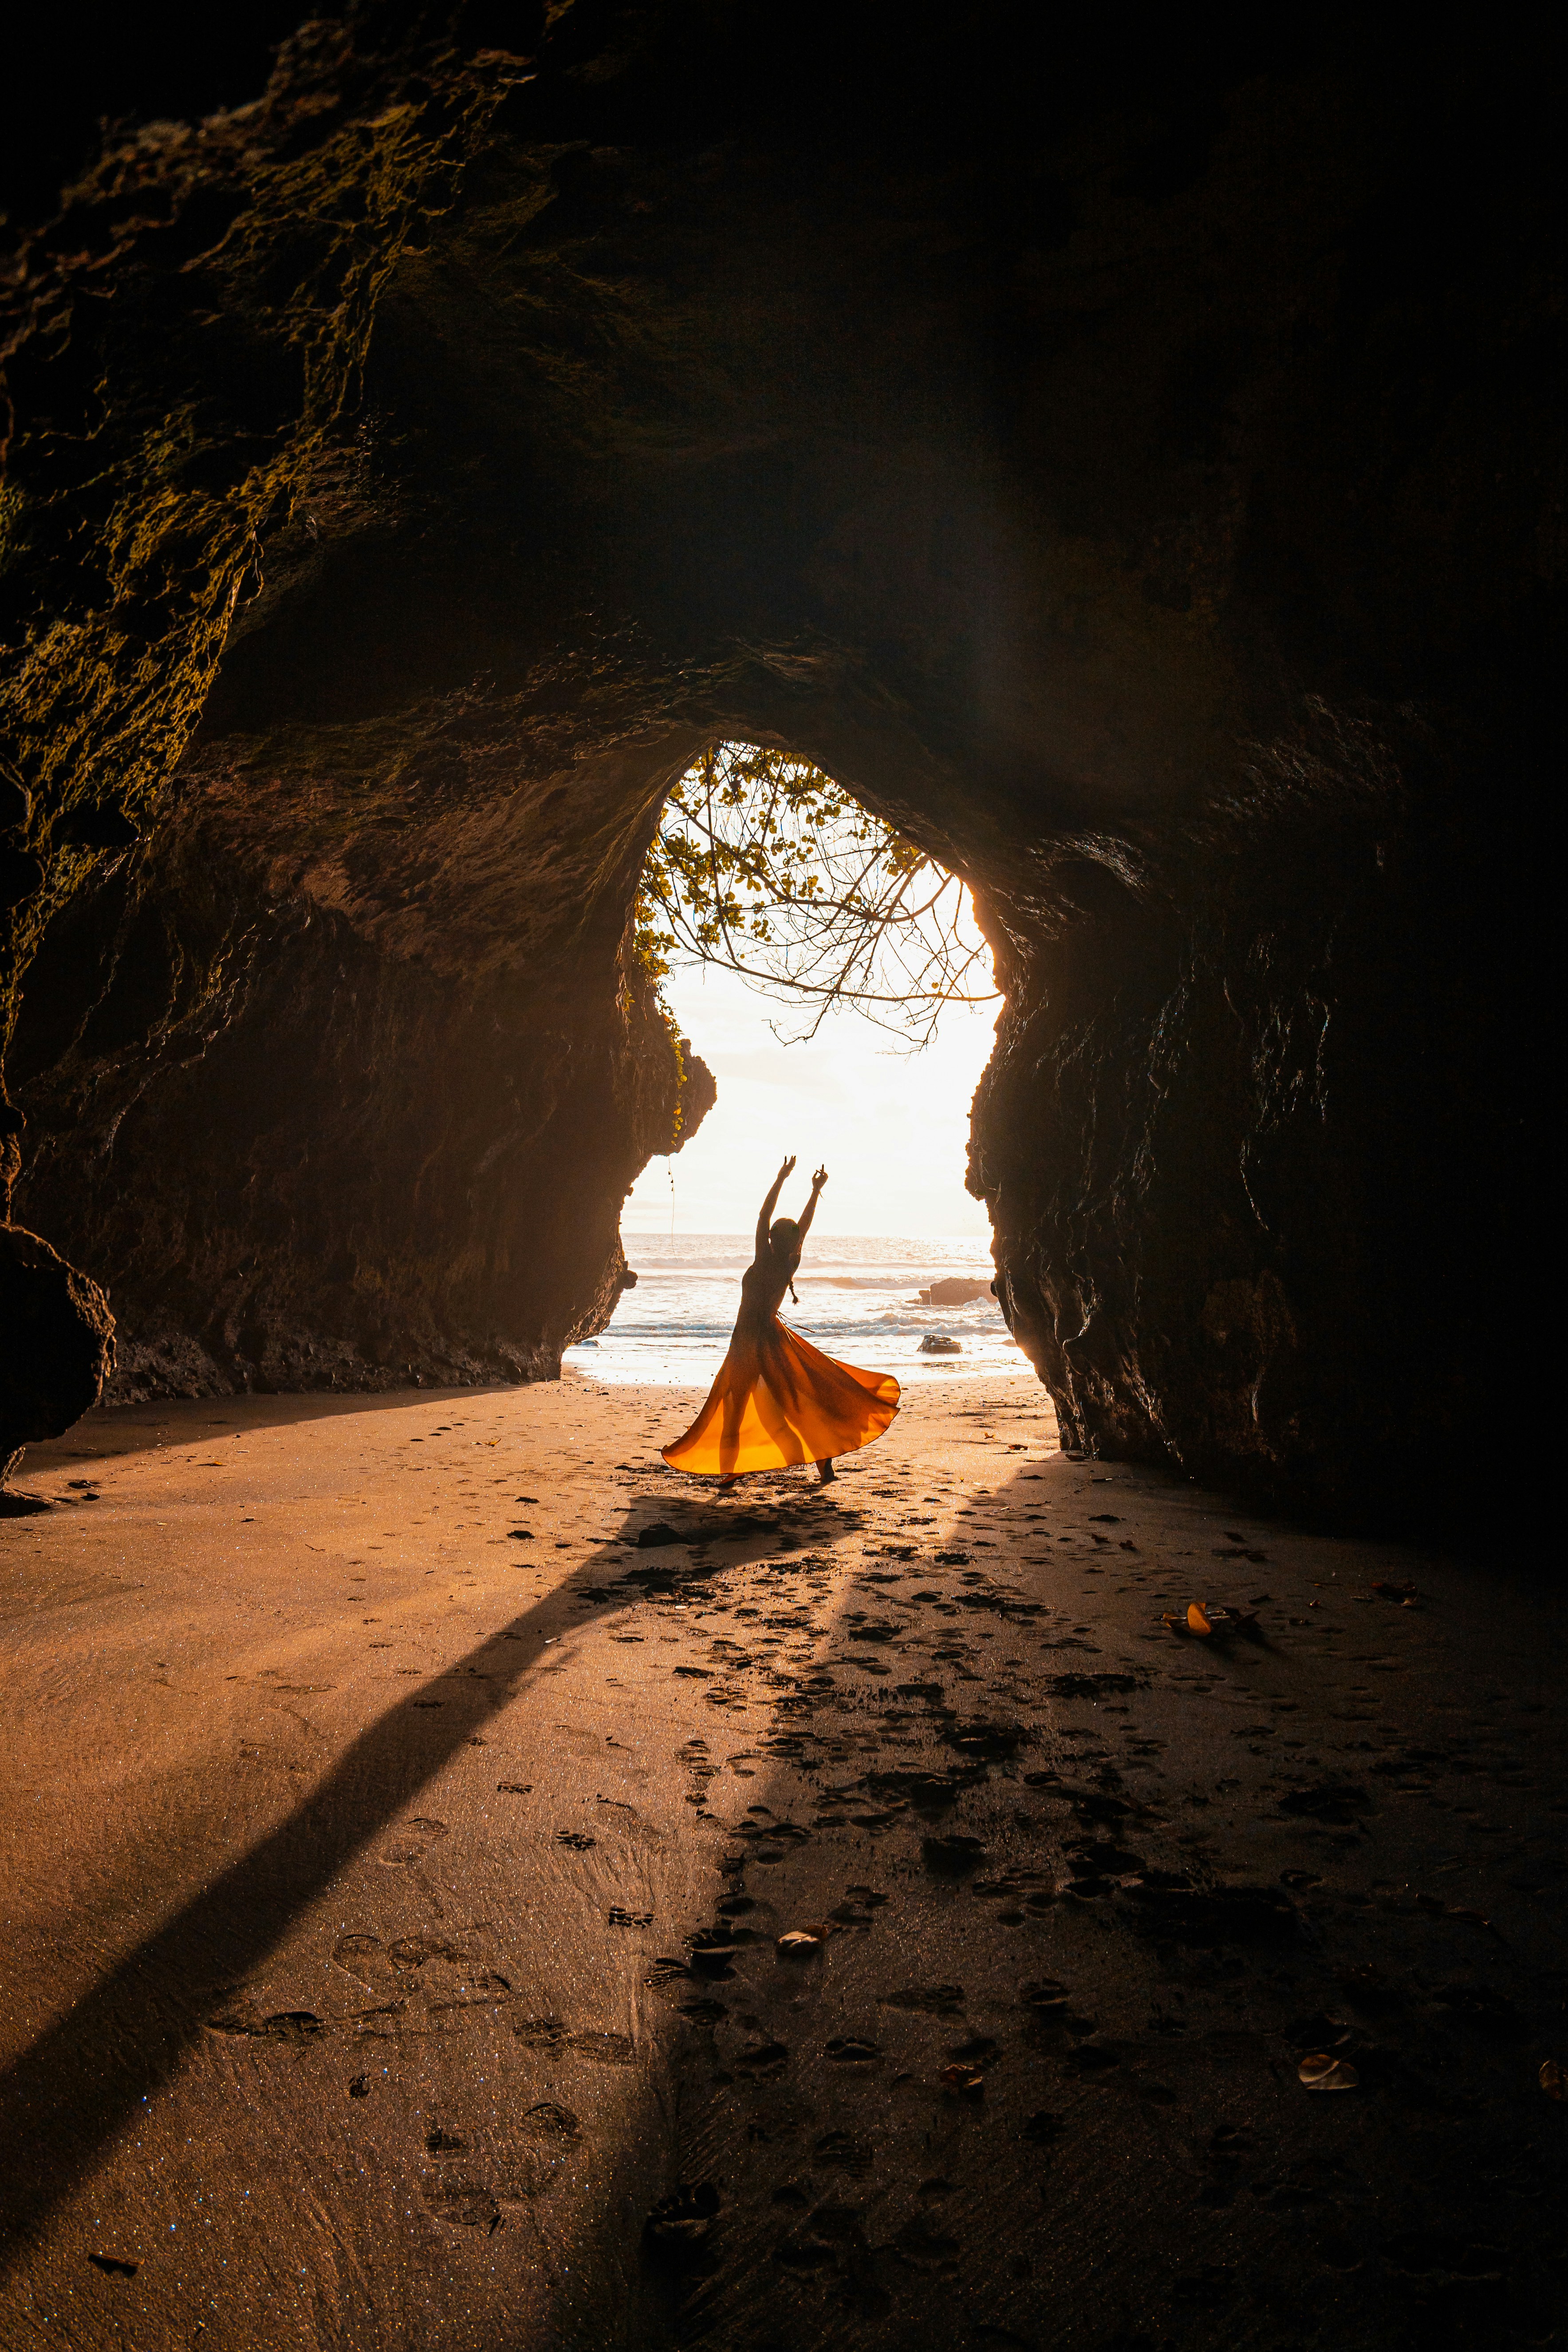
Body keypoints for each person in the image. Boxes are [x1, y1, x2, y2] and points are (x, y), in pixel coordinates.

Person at [662, 1156, 900, 1484]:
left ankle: (732, 1473)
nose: (771, 1237)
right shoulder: (789, 1262)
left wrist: (781, 1178)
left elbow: (765, 1216)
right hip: (770, 1340)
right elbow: (803, 1225)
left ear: (775, 1238)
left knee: (736, 1408)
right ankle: (818, 1468)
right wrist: (815, 1191)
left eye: (774, 1235)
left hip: (747, 1341)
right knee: (797, 1405)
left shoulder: (767, 1257)